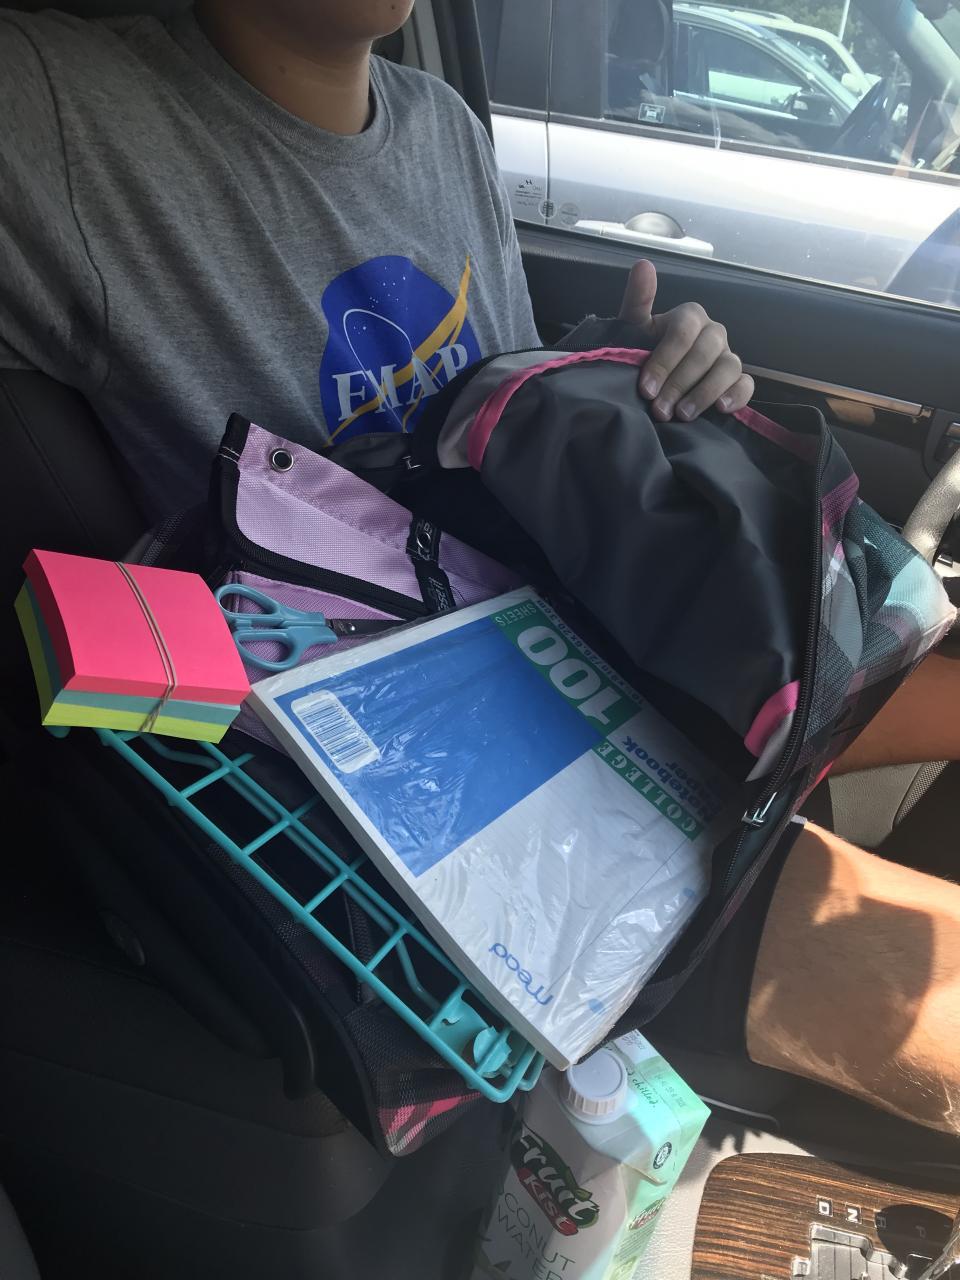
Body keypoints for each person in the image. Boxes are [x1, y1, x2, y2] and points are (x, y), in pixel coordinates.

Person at [0, 0, 958, 1138]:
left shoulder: (440, 125)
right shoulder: (49, 104)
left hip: (574, 673)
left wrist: (617, 375)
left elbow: (471, 440)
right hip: (410, 796)